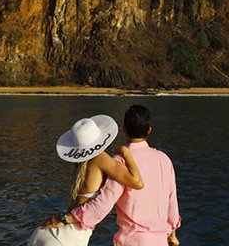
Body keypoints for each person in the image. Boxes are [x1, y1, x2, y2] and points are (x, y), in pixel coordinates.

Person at [54, 105, 181, 246]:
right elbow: (171, 201)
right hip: (161, 241)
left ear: (124, 129)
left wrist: (68, 218)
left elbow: (104, 203)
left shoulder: (120, 162)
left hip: (132, 241)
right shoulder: (164, 159)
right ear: (149, 130)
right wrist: (172, 235)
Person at [27, 114, 144, 246]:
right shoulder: (101, 158)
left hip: (45, 233)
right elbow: (137, 183)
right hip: (67, 239)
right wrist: (126, 153)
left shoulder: (80, 163)